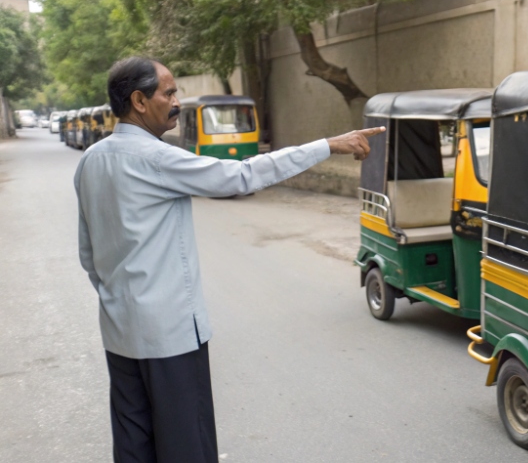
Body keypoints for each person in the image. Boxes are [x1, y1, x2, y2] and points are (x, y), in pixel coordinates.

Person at [74, 56, 384, 462]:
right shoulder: (156, 159)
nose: (176, 101)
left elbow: (88, 255)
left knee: (134, 444)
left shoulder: (90, 161)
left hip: (119, 333)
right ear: (139, 101)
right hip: (168, 335)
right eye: (168, 93)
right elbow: (241, 175)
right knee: (187, 444)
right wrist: (327, 145)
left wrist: (119, 303)